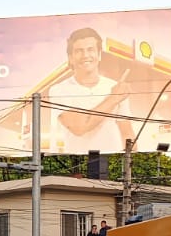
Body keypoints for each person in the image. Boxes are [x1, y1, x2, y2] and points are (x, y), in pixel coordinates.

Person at [47, 27, 132, 155]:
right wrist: (113, 98)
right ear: (70, 58)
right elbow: (80, 127)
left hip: (114, 164)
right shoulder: (59, 90)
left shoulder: (114, 86)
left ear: (99, 54)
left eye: (90, 49)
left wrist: (133, 165)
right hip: (78, 165)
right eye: (79, 51)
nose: (86, 55)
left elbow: (127, 133)